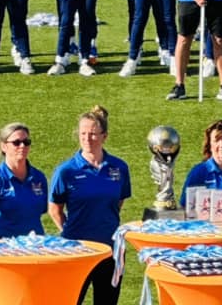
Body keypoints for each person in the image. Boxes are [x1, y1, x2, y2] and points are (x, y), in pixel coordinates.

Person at [49, 106, 131, 305]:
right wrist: (70, 232)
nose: (87, 139)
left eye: (93, 134)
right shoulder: (66, 171)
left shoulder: (119, 168)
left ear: (104, 136)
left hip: (110, 250)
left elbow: (118, 201)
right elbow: (55, 209)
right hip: (77, 251)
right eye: (83, 133)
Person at [0, 122, 47, 305]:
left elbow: (38, 212)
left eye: (26, 142)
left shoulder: (38, 178)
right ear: (4, 146)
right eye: (17, 142)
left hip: (32, 256)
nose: (22, 146)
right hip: (2, 260)